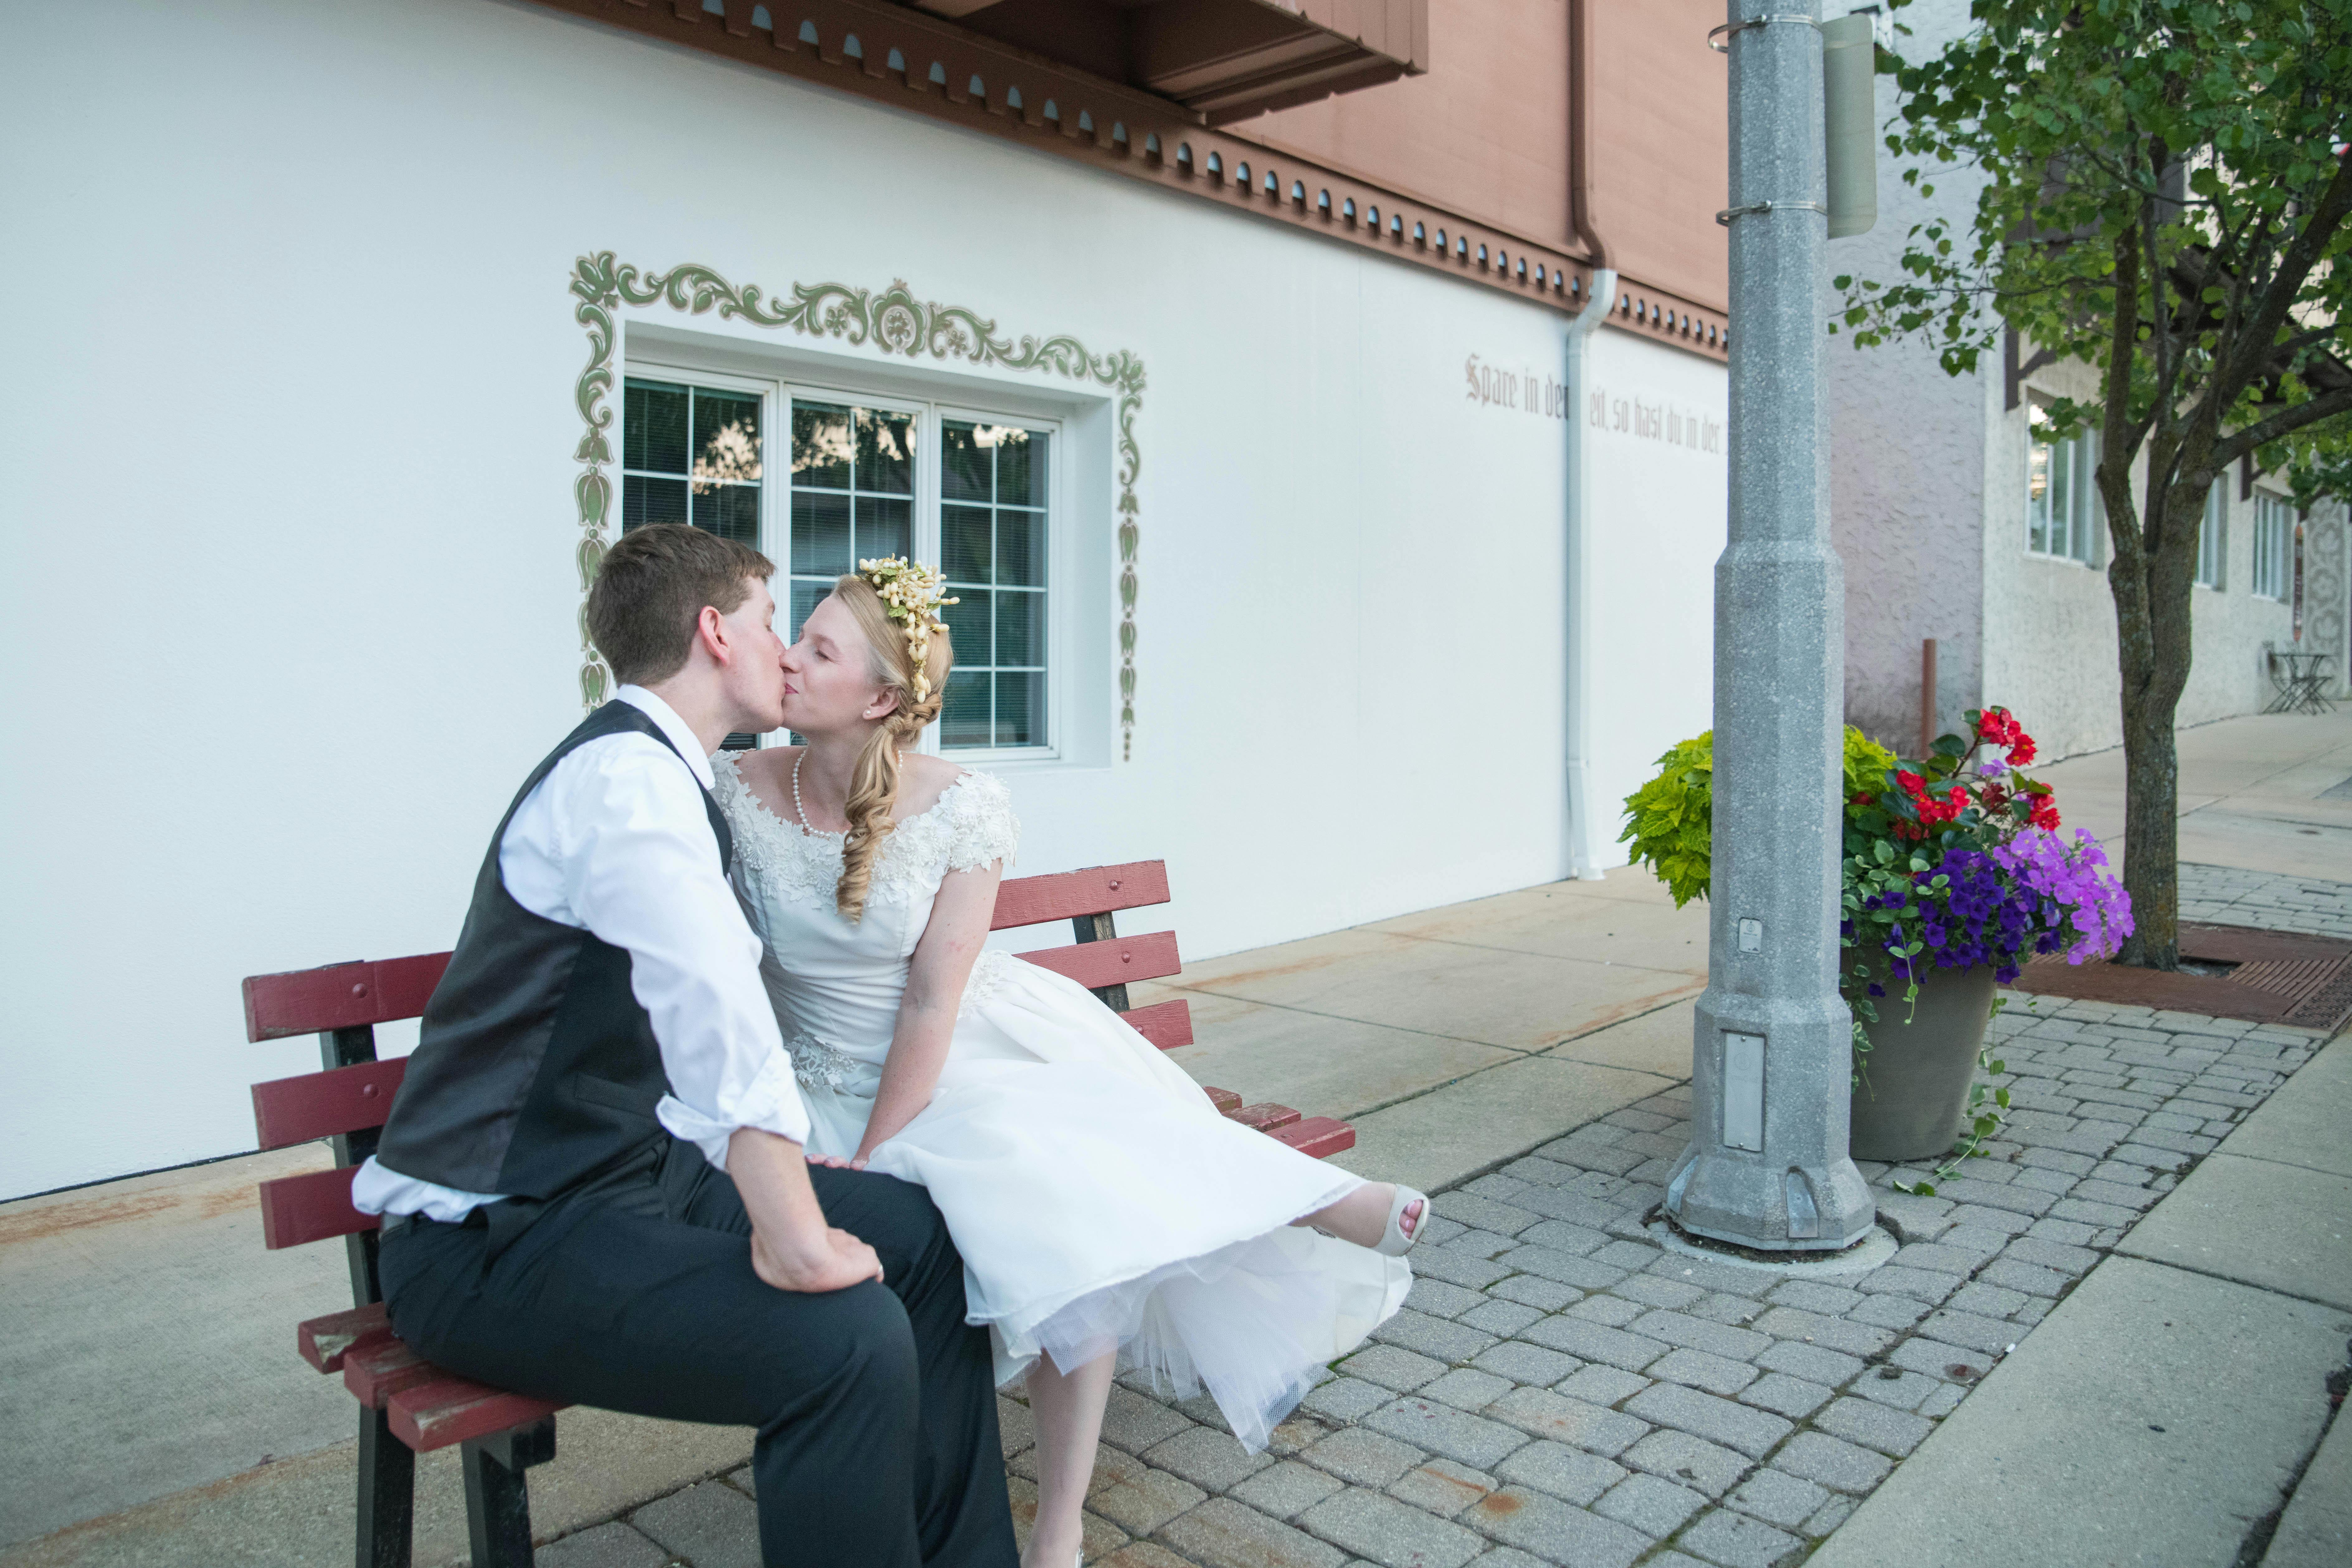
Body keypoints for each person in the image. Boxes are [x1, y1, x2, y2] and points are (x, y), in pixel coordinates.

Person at [714, 559, 1426, 1568]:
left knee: (1055, 1169)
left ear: (879, 697)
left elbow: (929, 1001)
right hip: (814, 1077)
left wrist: (876, 1154)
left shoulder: (964, 807)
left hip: (951, 1046)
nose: (787, 655)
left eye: (818, 647)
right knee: (1052, 1191)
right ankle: (1305, 1194)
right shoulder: (736, 787)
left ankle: (1061, 1521)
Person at [352, 525, 1018, 1568]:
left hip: (628, 1176)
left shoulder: (677, 771)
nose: (784, 649)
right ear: (715, 631)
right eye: (768, 620)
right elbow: (717, 1016)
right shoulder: (626, 785)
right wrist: (795, 1236)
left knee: (924, 1240)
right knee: (844, 1339)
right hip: (498, 1234)